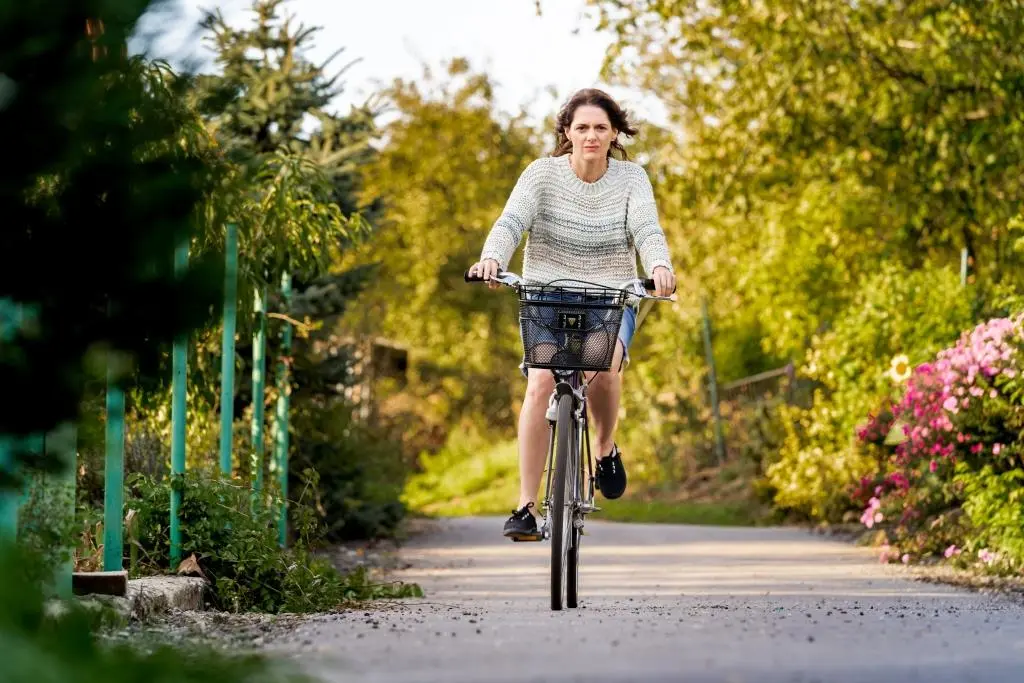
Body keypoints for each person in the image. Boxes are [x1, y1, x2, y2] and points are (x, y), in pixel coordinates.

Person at [467, 88, 676, 540]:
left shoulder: (631, 179)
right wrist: (492, 258)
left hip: (609, 295)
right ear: (567, 132)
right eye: (582, 127)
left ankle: (602, 449)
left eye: (601, 127)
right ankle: (525, 507)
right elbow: (511, 221)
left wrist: (659, 265)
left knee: (608, 366)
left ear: (615, 133)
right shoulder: (541, 175)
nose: (591, 135)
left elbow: (646, 226)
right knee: (541, 381)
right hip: (548, 294)